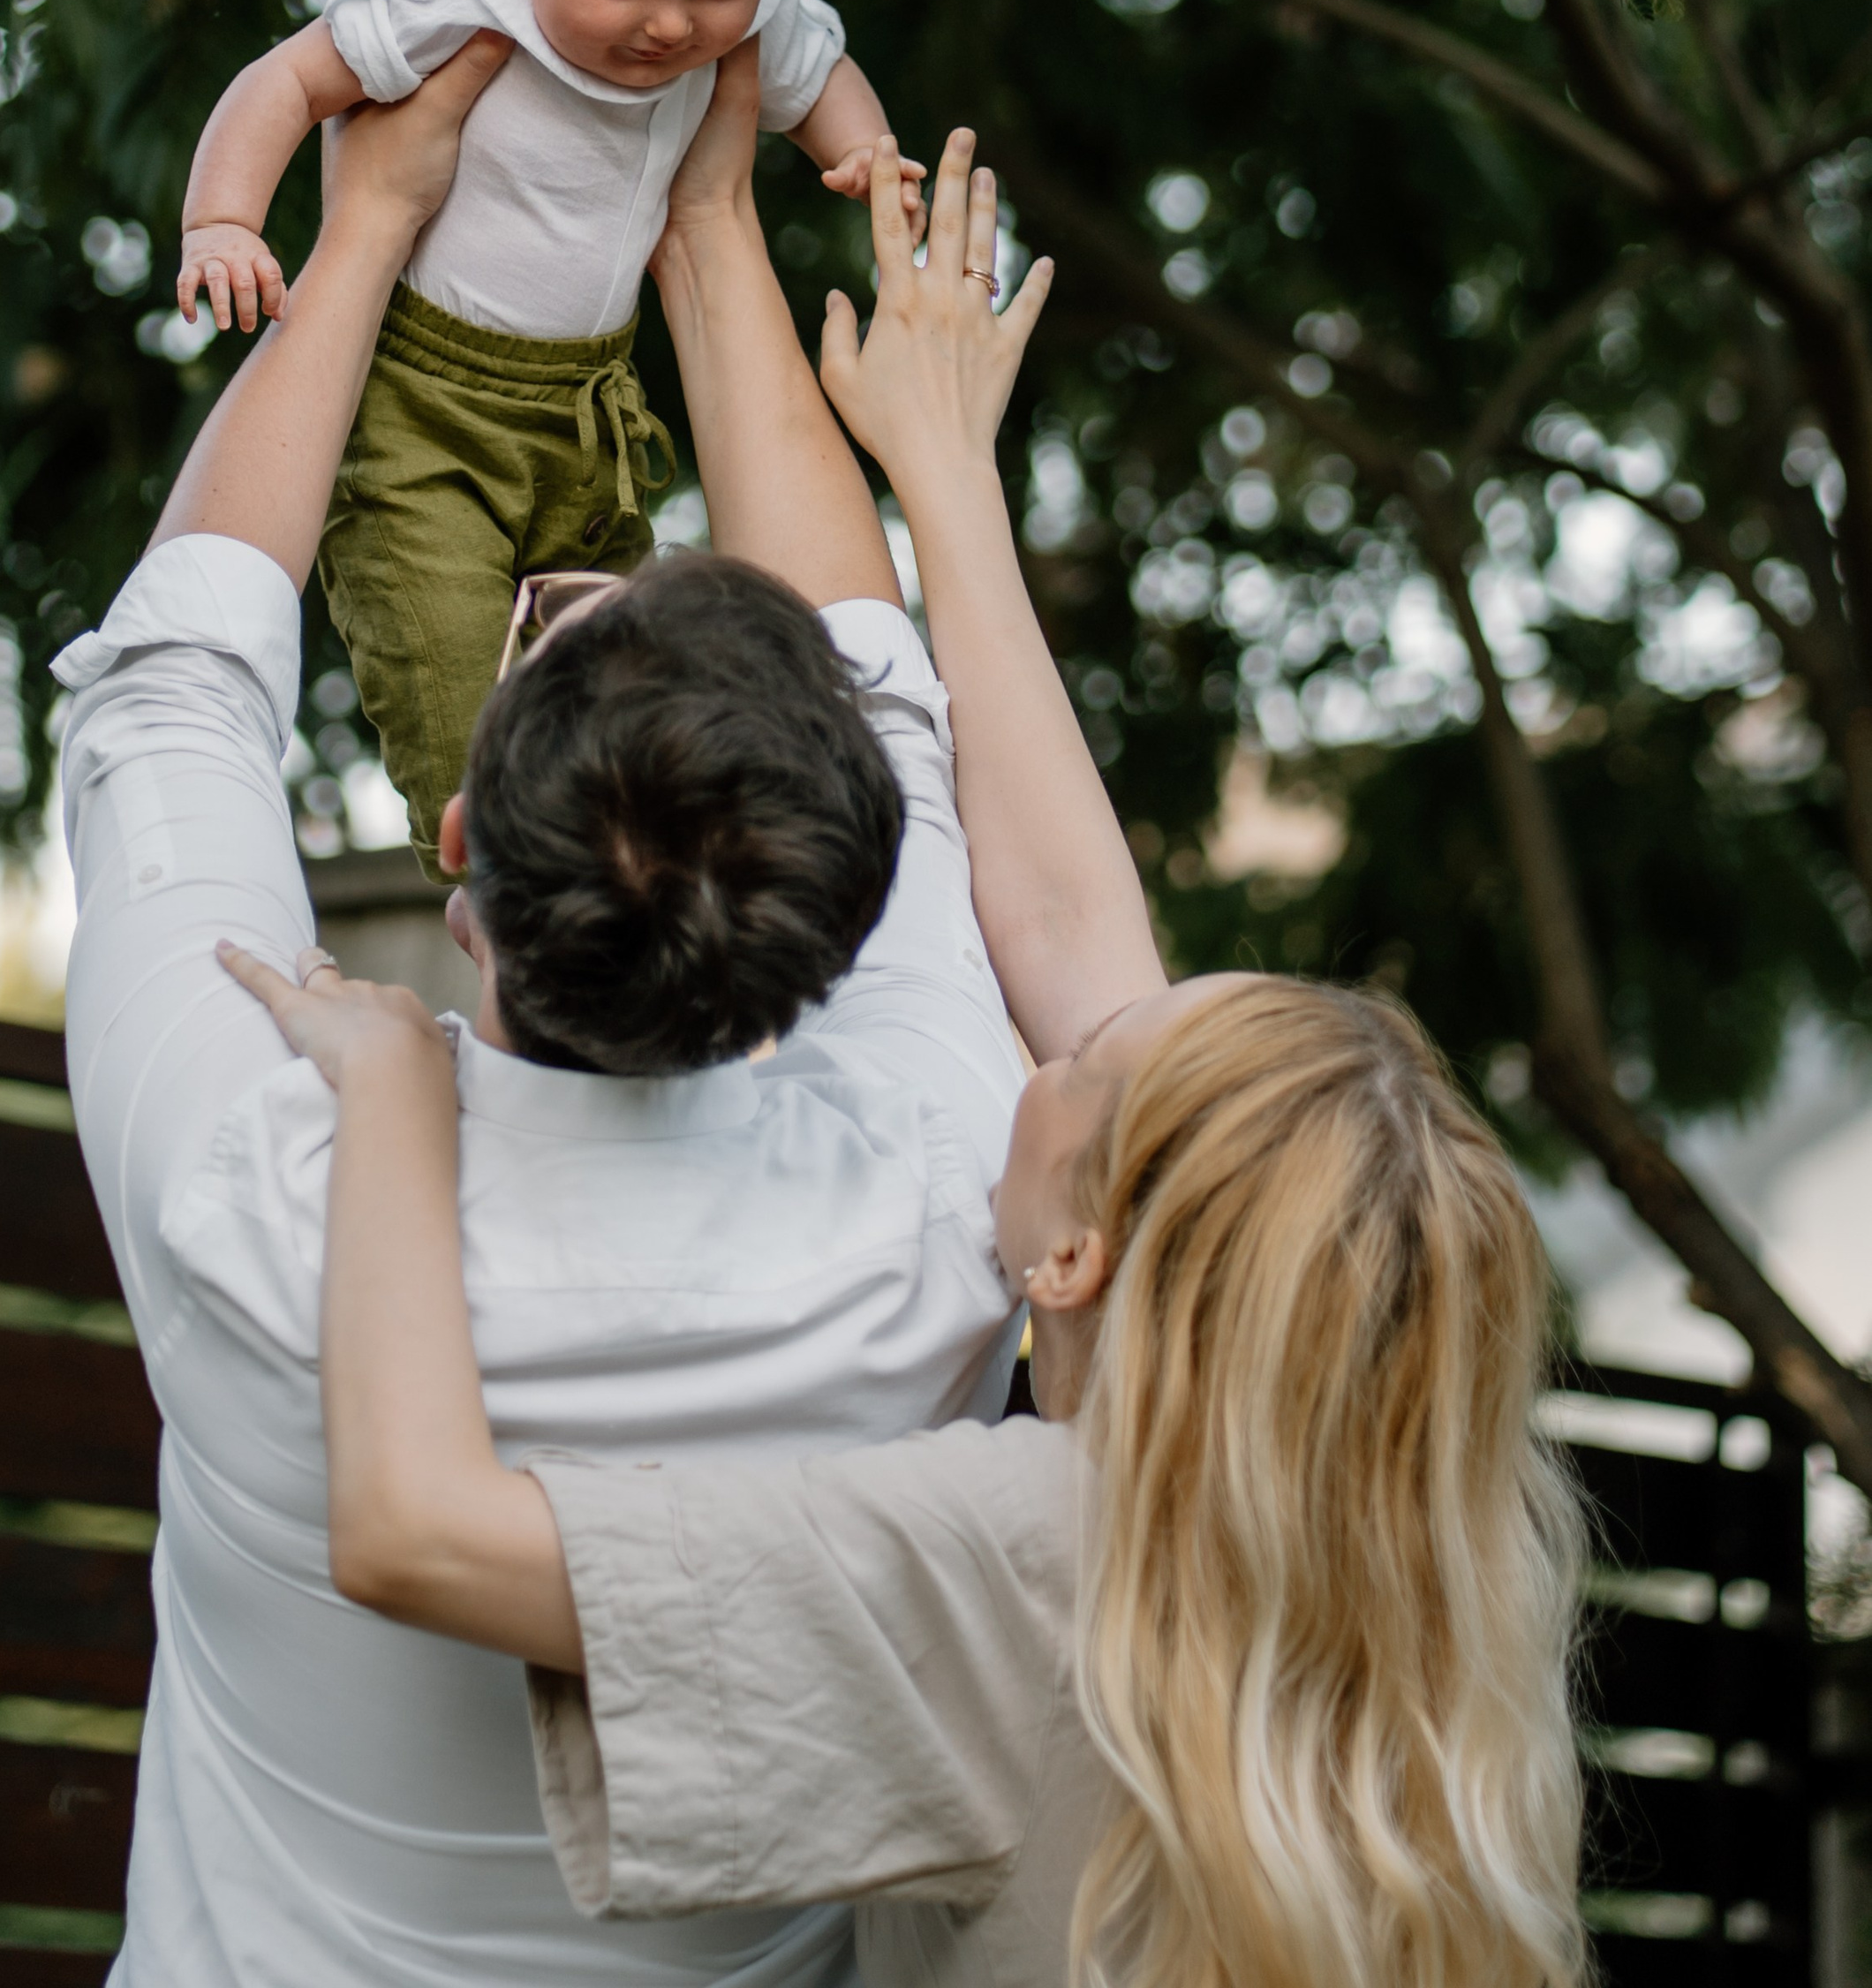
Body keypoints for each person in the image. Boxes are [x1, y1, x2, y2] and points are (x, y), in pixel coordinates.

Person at [227, 137, 1590, 1988]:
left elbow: (406, 1531)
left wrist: (392, 1091)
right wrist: (937, 471)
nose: (1066, 1013)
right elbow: (1054, 916)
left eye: (1091, 1056)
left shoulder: (1030, 1557)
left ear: (1071, 1257)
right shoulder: (1435, 1595)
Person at [53, 37, 1126, 1988]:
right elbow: (891, 689)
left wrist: (366, 220)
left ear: (457, 846)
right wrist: (709, 210)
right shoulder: (938, 1208)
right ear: (841, 907)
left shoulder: (252, 1178)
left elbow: (170, 685)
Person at [170, 0, 920, 867]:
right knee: (449, 676)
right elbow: (286, 83)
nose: (673, 27)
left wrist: (866, 159)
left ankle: (613, 897)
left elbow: (823, 79)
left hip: (591, 416)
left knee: (599, 687)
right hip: (422, 409)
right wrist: (223, 221)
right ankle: (489, 867)